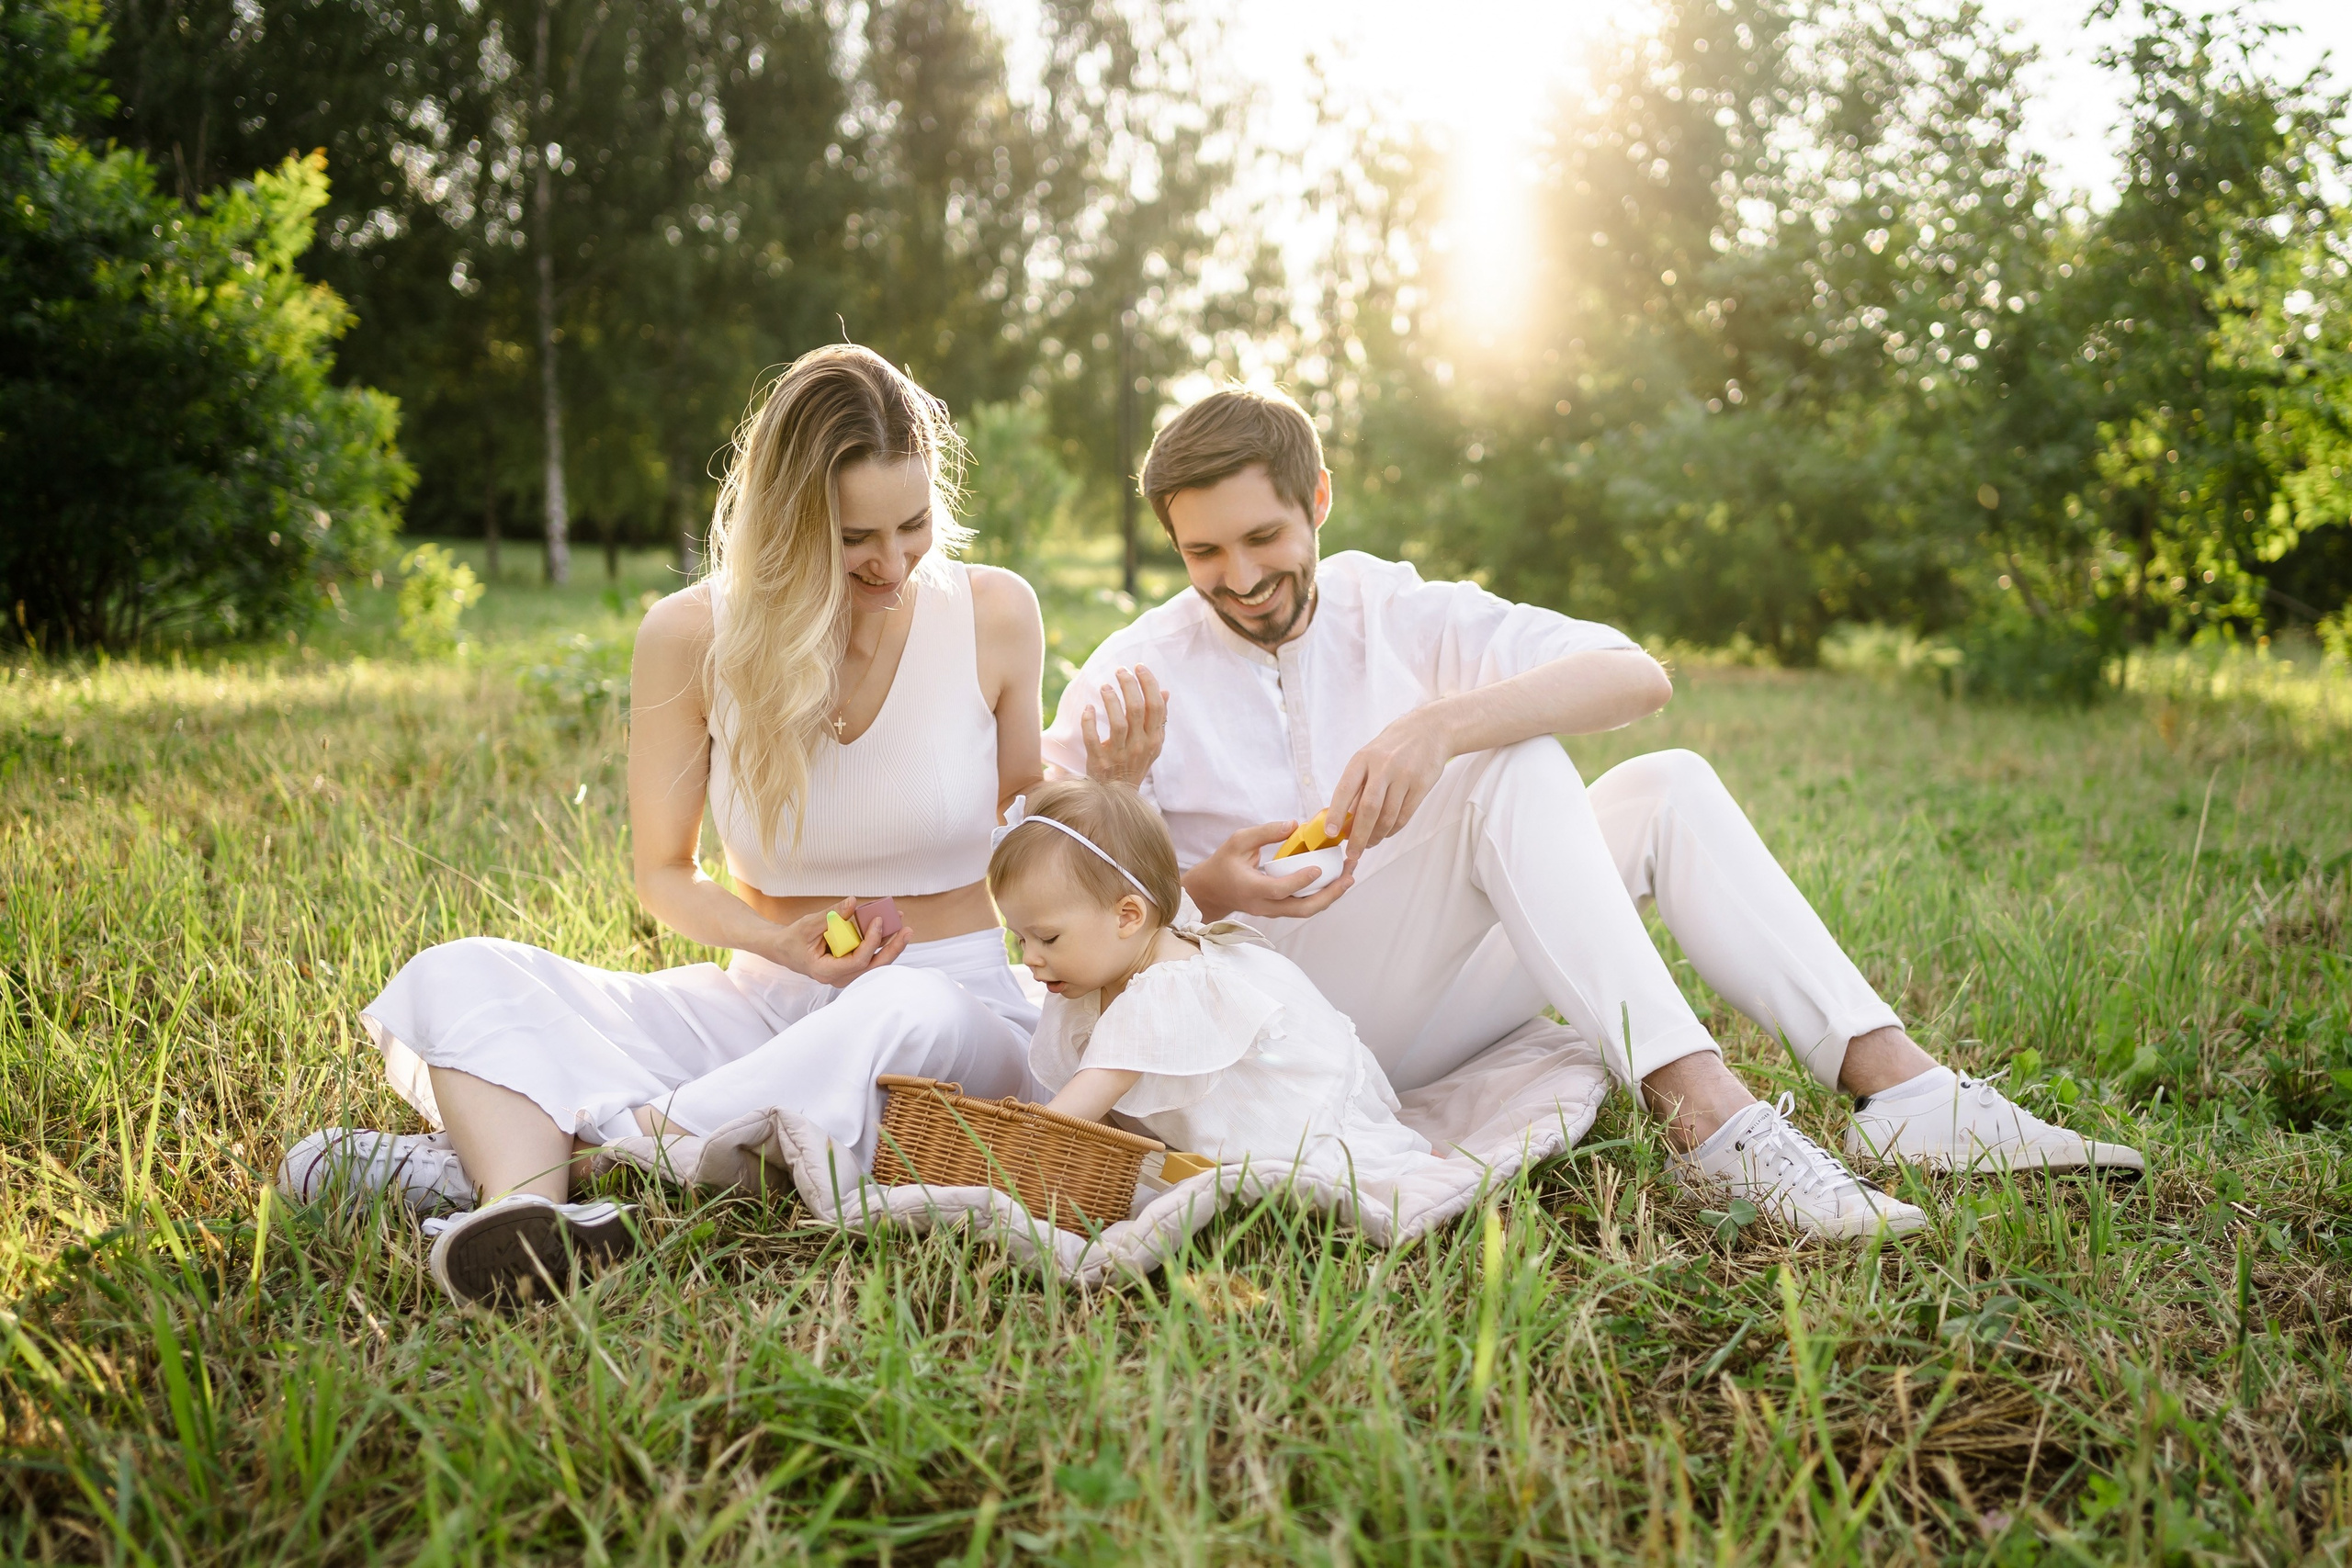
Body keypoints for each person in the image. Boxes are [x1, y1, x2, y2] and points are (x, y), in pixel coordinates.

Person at [1045, 385, 2143, 1241]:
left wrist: (1437, 727)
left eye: (1262, 538)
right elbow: (1042, 903)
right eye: (1203, 553)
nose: (1238, 578)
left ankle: (1901, 1090)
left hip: (1429, 991)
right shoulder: (1131, 674)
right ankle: (1711, 1120)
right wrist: (1178, 863)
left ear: (1318, 499)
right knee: (1511, 765)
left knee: (1657, 781)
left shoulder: (1398, 608)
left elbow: (1633, 674)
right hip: (1274, 1027)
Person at [279, 345, 1046, 1303]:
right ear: (785, 524)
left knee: (902, 1009)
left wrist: (1113, 791)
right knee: (462, 972)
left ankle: (579, 1154)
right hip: (762, 1006)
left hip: (949, 1019)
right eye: (854, 537)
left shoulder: (994, 614)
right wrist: (780, 943)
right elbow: (664, 876)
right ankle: (527, 1212)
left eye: (915, 524)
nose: (891, 563)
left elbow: (1035, 830)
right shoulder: (690, 635)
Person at [989, 778, 1439, 1187]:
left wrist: (998, 1158)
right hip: (1271, 1115)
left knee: (1354, 1175)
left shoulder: (1159, 991)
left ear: (1128, 916)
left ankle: (1386, 1159)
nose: (1030, 958)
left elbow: (1077, 1109)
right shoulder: (1098, 974)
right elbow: (1103, 1122)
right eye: (1019, 938)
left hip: (1289, 1128)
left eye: (1047, 937)